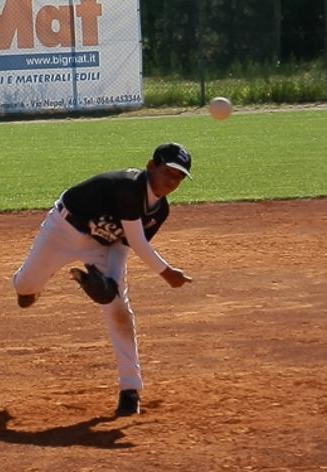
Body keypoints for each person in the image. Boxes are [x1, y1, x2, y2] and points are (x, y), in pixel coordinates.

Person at [12, 142, 194, 416]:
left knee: (118, 308)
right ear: (151, 166)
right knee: (24, 288)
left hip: (104, 245)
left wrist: (113, 286)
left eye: (179, 176)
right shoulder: (129, 187)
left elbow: (125, 245)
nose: (172, 180)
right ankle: (29, 289)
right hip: (64, 229)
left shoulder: (160, 211)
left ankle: (130, 390)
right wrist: (167, 273)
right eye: (168, 171)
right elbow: (138, 240)